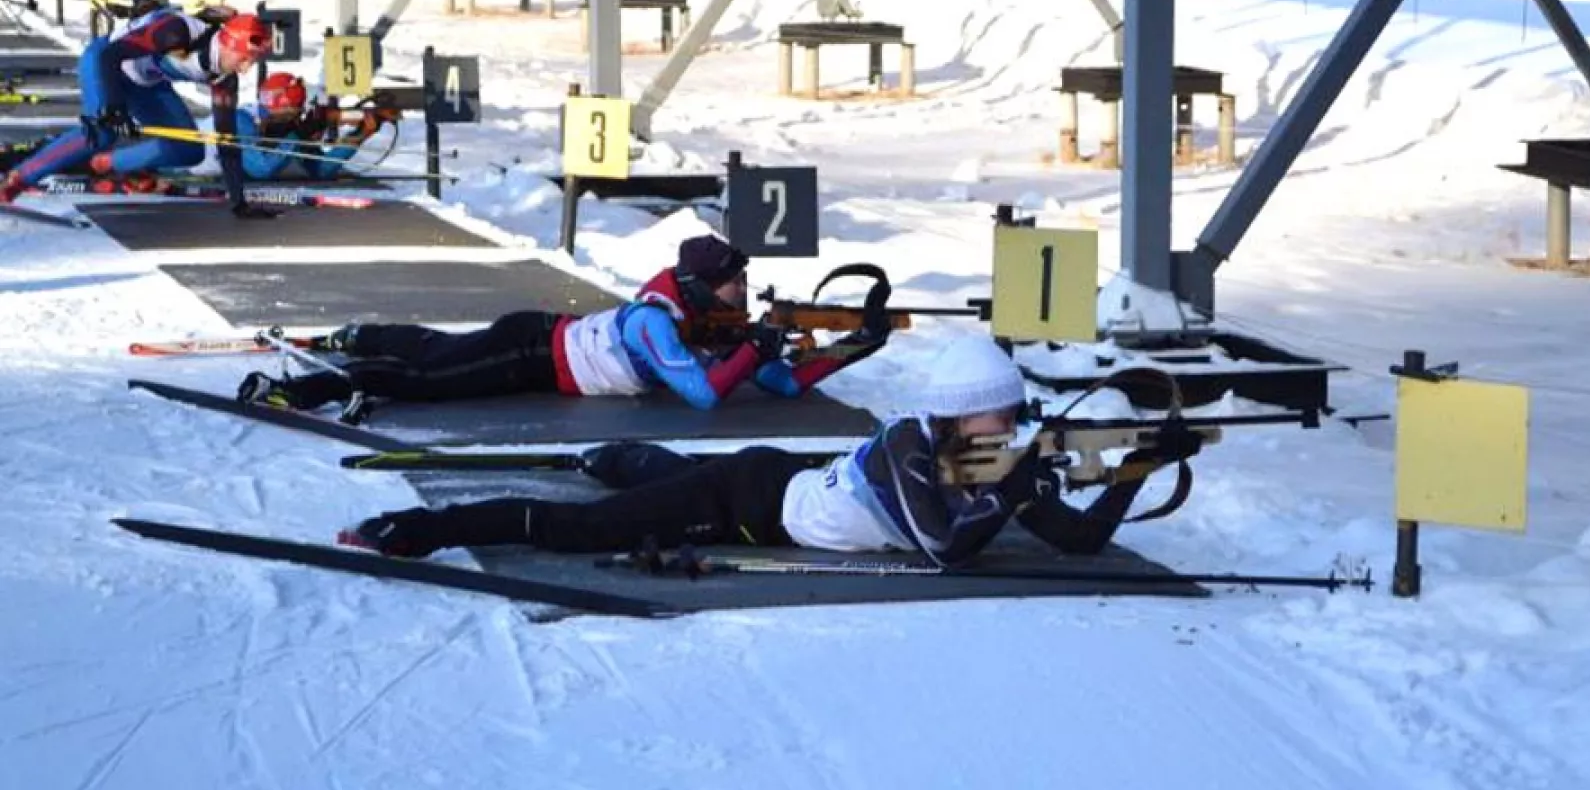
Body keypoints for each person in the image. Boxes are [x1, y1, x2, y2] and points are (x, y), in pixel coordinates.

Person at [337, 335, 1158, 567]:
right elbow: (948, 545)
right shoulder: (910, 445)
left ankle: (609, 458)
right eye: (1004, 417)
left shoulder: (978, 458)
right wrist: (1016, 485)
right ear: (962, 416)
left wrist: (1136, 468)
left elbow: (1080, 540)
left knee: (654, 475)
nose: (1013, 429)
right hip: (750, 502)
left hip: (781, 482)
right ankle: (415, 532)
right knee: (586, 532)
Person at [237, 234, 885, 414]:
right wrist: (755, 348)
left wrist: (858, 344)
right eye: (732, 283)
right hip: (534, 352)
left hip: (547, 338)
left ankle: (365, 333)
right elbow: (703, 397)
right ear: (698, 287)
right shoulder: (656, 325)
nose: (742, 293)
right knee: (428, 379)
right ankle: (302, 389)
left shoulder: (710, 323)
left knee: (441, 348)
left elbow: (784, 386)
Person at [0, 2, 276, 216]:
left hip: (146, 82)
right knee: (103, 132)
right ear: (228, 42)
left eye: (252, 61)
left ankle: (102, 163)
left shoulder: (225, 79)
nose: (245, 68)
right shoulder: (178, 32)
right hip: (105, 63)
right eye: (245, 58)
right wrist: (115, 107)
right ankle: (16, 181)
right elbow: (110, 56)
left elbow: (226, 141)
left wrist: (239, 202)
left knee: (189, 149)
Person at [236, 72, 383, 182]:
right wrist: (297, 136)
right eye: (290, 114)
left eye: (297, 113)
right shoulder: (241, 119)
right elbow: (261, 169)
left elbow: (320, 170)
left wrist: (360, 134)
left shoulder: (287, 128)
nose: (294, 119)